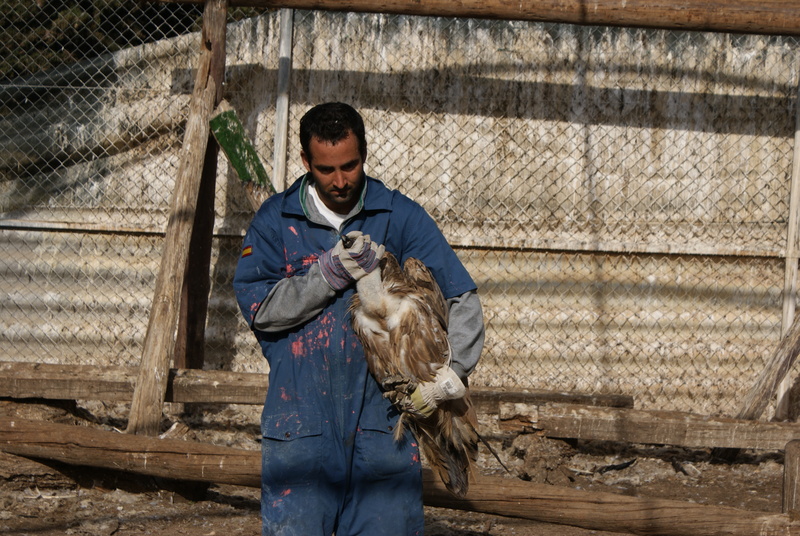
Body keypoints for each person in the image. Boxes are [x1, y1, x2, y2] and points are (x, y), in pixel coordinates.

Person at [233, 102, 485, 536]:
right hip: (302, 420)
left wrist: (451, 376)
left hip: (385, 421)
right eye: (326, 169)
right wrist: (324, 276)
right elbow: (260, 310)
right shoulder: (276, 221)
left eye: (349, 166)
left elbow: (462, 295)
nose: (340, 181)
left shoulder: (398, 216)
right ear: (305, 160)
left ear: (364, 153)